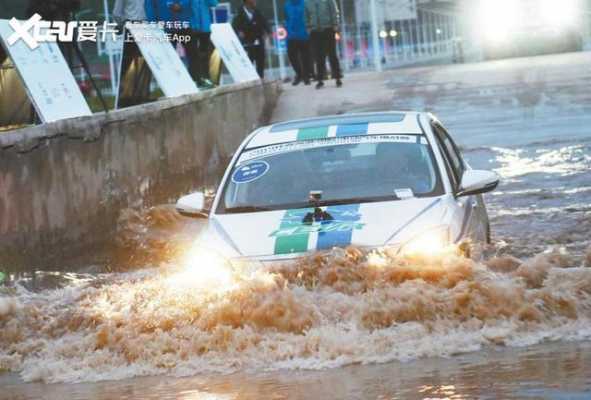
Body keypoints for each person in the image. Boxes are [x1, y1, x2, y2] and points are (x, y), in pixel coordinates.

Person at [146, 0, 218, 88]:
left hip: (184, 23)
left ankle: (197, 80)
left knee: (193, 53)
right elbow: (149, 6)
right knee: (167, 56)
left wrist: (182, 6)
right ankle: (168, 84)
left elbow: (192, 3)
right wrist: (153, 25)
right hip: (166, 26)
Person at [306, 0, 343, 89]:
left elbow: (334, 12)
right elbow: (305, 15)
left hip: (328, 29)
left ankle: (337, 77)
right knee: (319, 57)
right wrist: (308, 27)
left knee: (332, 55)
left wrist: (335, 24)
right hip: (315, 31)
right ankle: (320, 80)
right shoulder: (307, 2)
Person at [232, 0, 270, 79]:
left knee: (260, 64)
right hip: (247, 43)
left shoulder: (258, 12)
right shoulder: (239, 14)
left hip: (258, 42)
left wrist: (267, 33)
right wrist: (239, 32)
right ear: (246, 2)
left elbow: (266, 24)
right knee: (248, 64)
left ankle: (261, 81)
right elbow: (234, 27)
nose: (255, 1)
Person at [284, 0, 312, 86]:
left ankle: (306, 76)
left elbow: (310, 16)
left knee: (305, 57)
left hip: (303, 34)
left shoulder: (305, 3)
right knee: (291, 55)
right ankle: (299, 74)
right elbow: (286, 18)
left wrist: (309, 28)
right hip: (291, 35)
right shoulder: (287, 4)